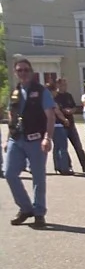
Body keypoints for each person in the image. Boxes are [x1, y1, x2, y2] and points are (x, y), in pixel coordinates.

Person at [5, 58, 55, 228]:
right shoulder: (14, 92)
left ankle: (39, 212)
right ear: (15, 73)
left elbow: (50, 116)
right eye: (20, 70)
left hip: (36, 140)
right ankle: (26, 208)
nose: (23, 73)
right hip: (16, 139)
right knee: (9, 173)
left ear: (31, 72)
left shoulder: (41, 91)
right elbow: (11, 115)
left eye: (26, 70)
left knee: (38, 177)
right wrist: (7, 139)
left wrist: (47, 138)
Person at [54, 78, 85, 173]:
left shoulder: (68, 95)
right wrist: (64, 111)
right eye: (63, 84)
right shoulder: (55, 96)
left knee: (78, 146)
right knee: (64, 148)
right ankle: (68, 166)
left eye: (65, 84)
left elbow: (74, 107)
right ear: (58, 85)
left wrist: (72, 110)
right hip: (61, 125)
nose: (65, 86)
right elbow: (57, 109)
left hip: (71, 124)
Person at [49, 83, 73, 175]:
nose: (56, 92)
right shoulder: (51, 101)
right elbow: (57, 112)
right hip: (58, 125)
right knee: (63, 147)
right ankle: (64, 168)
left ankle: (57, 166)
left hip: (51, 126)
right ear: (52, 91)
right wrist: (65, 119)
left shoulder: (43, 101)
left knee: (56, 147)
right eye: (55, 90)